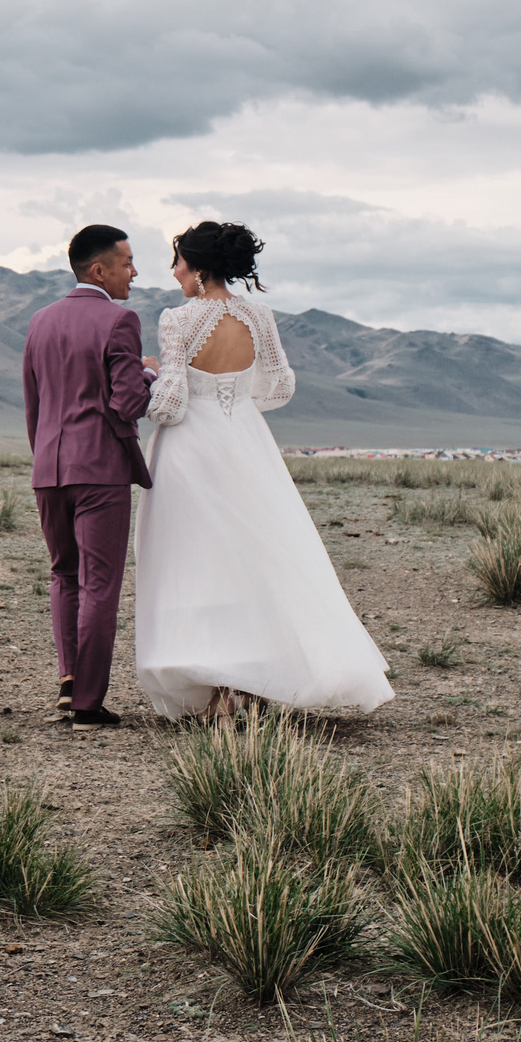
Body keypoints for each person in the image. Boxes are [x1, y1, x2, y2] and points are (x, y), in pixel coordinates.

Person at [133, 221, 394, 724]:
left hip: (191, 448)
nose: (174, 272)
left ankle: (222, 689)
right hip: (246, 443)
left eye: (179, 262)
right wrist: (234, 399)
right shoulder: (260, 316)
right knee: (255, 559)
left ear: (199, 267)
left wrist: (151, 372)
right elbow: (277, 389)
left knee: (195, 561)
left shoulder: (178, 320)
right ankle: (252, 685)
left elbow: (167, 406)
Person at [19, 224, 152, 728]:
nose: (134, 273)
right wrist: (150, 375)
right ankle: (87, 705)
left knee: (63, 575)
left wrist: (47, 458)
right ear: (100, 270)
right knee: (100, 584)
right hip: (99, 470)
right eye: (127, 263)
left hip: (48, 469)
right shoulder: (120, 321)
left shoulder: (39, 321)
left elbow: (34, 404)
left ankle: (69, 681)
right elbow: (127, 403)